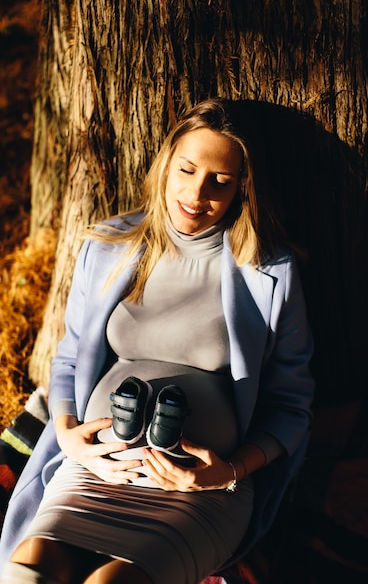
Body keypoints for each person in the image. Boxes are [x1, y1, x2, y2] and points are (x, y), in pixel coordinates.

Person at [0, 97, 314, 584]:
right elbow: (67, 359)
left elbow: (292, 404)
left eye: (220, 181)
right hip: (99, 471)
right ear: (166, 164)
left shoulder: (270, 272)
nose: (196, 192)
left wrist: (228, 472)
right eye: (187, 170)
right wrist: (66, 435)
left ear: (243, 188)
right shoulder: (108, 245)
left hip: (198, 493)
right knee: (28, 572)